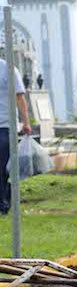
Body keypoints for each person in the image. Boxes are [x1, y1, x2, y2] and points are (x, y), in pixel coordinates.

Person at [0, 59, 31, 215]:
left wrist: (26, 122)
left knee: (3, 167)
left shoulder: (8, 69)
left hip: (5, 126)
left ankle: (3, 204)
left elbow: (19, 97)